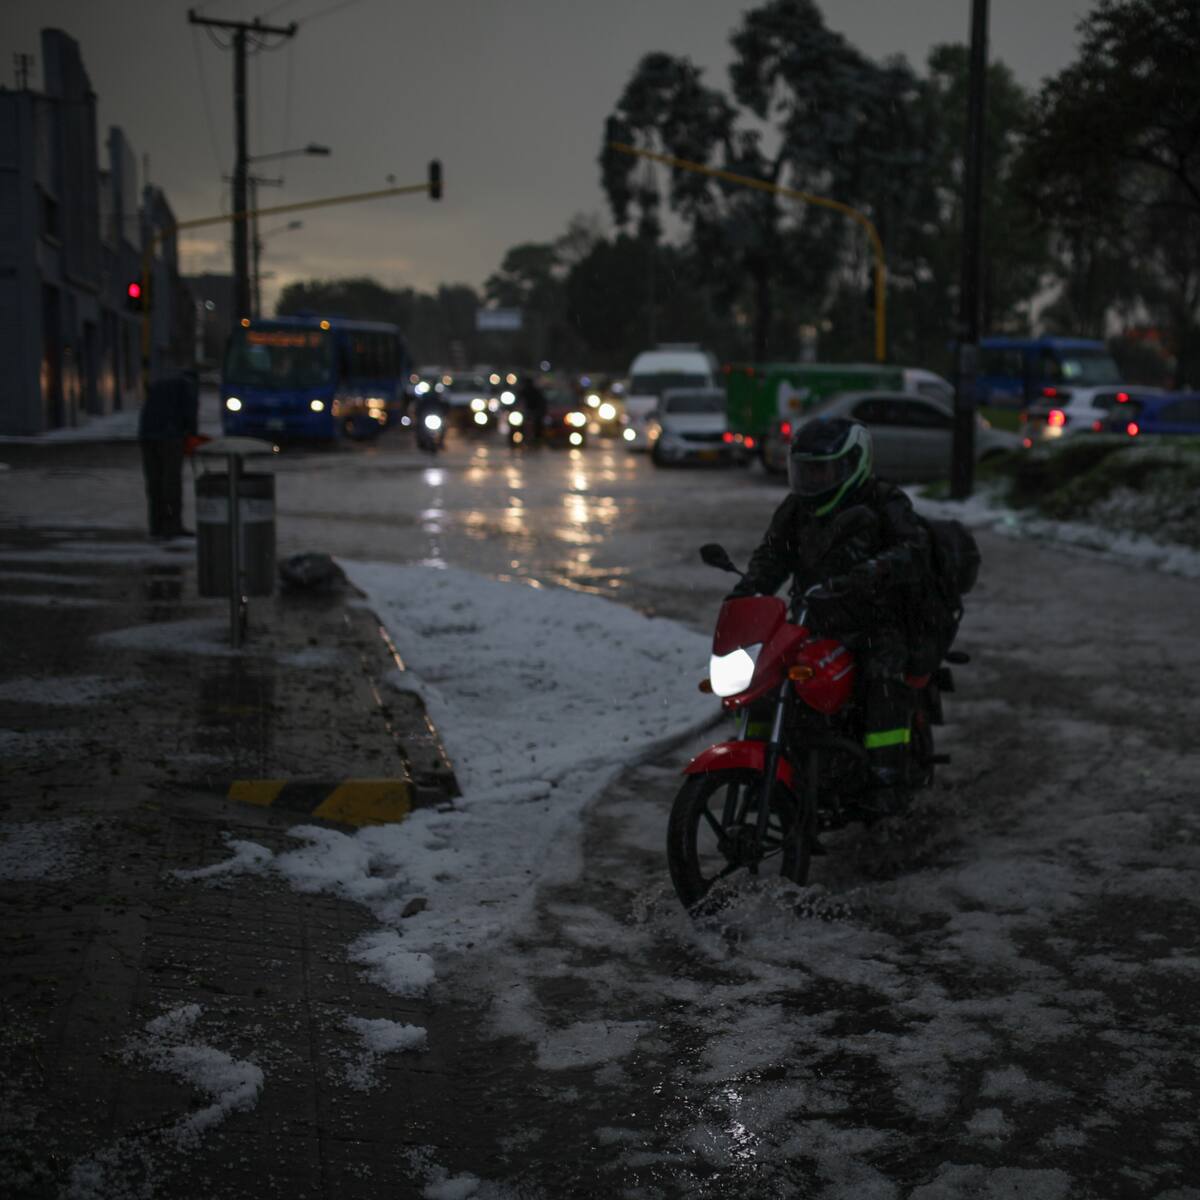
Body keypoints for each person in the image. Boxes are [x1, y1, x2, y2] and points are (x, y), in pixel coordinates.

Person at [731, 417, 936, 814]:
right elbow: (773, 555)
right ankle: (759, 766)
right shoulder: (796, 509)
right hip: (812, 619)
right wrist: (748, 592)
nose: (811, 479)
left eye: (821, 469)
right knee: (766, 677)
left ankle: (885, 777)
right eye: (804, 469)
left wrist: (868, 574)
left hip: (877, 621)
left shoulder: (884, 501)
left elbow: (912, 549)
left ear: (852, 464)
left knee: (882, 675)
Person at [138, 368, 199, 539]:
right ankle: (173, 526)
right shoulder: (188, 385)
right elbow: (190, 412)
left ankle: (156, 526)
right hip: (170, 436)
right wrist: (192, 435)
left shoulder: (161, 384)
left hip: (146, 435)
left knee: (154, 482)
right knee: (171, 482)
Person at [518, 375, 548, 444]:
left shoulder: (536, 392)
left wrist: (539, 411)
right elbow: (518, 401)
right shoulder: (522, 392)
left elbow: (542, 403)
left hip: (535, 411)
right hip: (525, 412)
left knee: (538, 423)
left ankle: (538, 438)